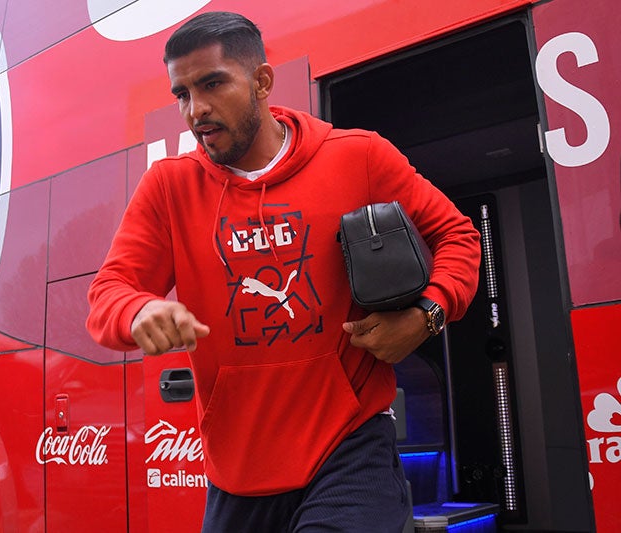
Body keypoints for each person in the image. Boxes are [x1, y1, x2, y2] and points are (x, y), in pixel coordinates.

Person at [87, 11, 480, 532]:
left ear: (262, 81)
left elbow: (458, 237)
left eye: (211, 84)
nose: (195, 109)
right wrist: (140, 309)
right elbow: (109, 292)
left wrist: (425, 317)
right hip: (238, 471)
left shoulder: (358, 156)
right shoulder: (168, 188)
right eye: (181, 93)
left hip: (351, 445)